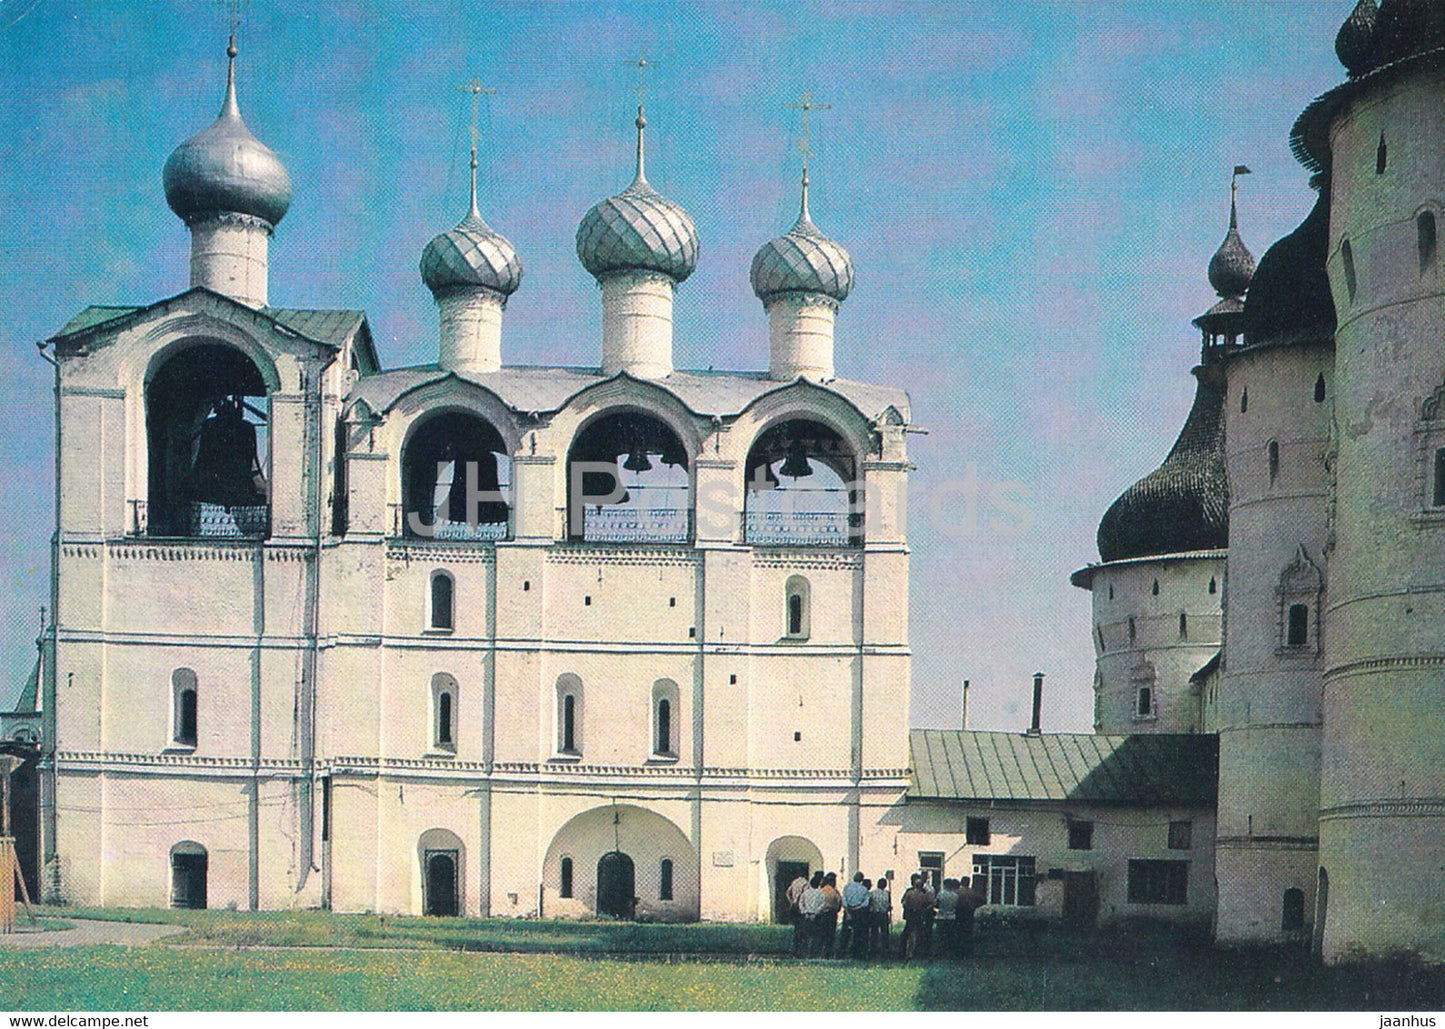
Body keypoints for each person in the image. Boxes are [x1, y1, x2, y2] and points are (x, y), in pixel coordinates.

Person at [900, 873, 933, 962]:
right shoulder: (924, 894)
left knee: (907, 933)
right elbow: (929, 904)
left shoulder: (909, 892)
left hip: (910, 915)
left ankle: (903, 951)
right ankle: (919, 952)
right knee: (920, 933)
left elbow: (904, 902)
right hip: (920, 915)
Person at [839, 872, 870, 959]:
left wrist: (847, 910)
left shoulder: (847, 887)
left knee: (845, 933)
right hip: (858, 912)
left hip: (848, 910)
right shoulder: (864, 889)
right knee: (858, 933)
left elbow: (844, 899)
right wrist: (858, 907)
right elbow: (866, 903)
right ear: (861, 879)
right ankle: (856, 953)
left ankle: (842, 952)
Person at [797, 871, 826, 957]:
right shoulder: (821, 894)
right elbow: (822, 905)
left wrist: (805, 912)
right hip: (816, 916)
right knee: (816, 936)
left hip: (806, 915)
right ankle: (814, 952)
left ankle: (805, 952)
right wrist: (816, 913)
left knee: (806, 935)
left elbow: (801, 904)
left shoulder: (805, 893)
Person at [934, 878, 961, 959]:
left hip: (942, 917)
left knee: (941, 936)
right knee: (950, 937)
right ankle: (950, 953)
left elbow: (936, 904)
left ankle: (940, 953)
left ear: (945, 885)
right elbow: (957, 906)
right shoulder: (955, 895)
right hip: (951, 917)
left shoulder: (941, 894)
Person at [786, 871, 810, 956]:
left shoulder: (794, 882)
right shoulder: (805, 883)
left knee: (797, 928)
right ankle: (802, 949)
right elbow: (805, 894)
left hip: (794, 906)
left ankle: (796, 948)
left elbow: (788, 892)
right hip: (801, 907)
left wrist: (791, 901)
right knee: (803, 929)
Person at [819, 872, 843, 958]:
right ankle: (829, 953)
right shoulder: (835, 892)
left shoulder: (821, 890)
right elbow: (840, 902)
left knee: (822, 934)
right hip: (832, 914)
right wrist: (836, 910)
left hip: (822, 914)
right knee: (831, 934)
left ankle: (821, 952)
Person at [869, 875, 892, 958]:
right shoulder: (887, 893)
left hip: (875, 914)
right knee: (885, 933)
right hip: (883, 914)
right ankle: (885, 948)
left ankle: (873, 948)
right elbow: (889, 905)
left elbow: (870, 903)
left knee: (874, 932)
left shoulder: (872, 893)